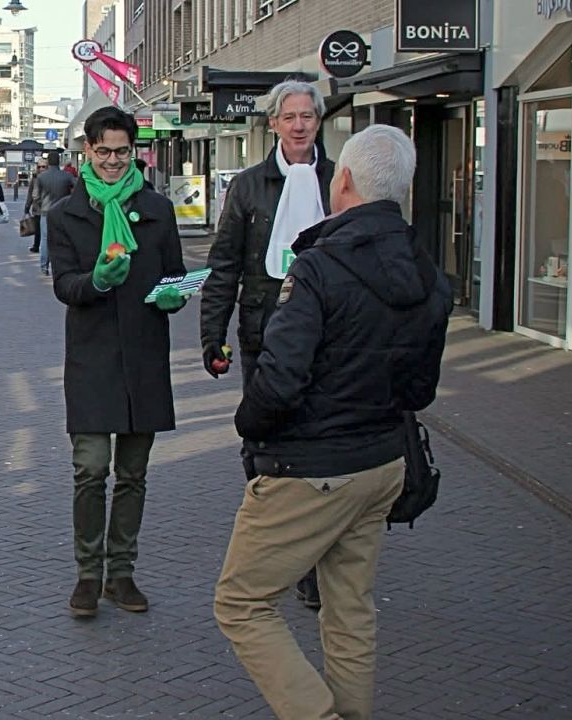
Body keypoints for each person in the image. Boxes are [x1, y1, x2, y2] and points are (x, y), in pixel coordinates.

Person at [214, 124, 451, 720]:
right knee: (350, 610)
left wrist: (250, 427)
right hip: (383, 461)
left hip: (311, 466)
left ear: (341, 180)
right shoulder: (428, 273)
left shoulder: (318, 268)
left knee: (242, 602)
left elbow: (279, 380)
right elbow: (420, 388)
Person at [46, 106, 188, 618]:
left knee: (133, 472)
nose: (112, 160)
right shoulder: (65, 214)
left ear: (134, 151)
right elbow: (65, 285)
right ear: (87, 151)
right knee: (90, 470)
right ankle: (88, 573)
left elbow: (175, 274)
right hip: (92, 357)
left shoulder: (158, 209)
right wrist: (97, 282)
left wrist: (175, 295)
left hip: (143, 356)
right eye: (103, 151)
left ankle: (122, 573)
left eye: (121, 152)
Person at [199, 80, 335, 610]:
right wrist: (212, 335)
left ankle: (313, 561)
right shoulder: (249, 186)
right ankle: (271, 540)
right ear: (273, 123)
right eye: (290, 117)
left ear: (318, 121)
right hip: (264, 333)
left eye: (308, 116)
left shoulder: (338, 179)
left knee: (320, 442)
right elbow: (224, 265)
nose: (299, 126)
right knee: (264, 439)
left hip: (329, 336)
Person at [32, 152, 76, 276]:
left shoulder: (41, 177)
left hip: (46, 212)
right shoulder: (67, 176)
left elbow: (35, 196)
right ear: (59, 161)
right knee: (63, 239)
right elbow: (78, 189)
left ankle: (44, 266)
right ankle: (61, 266)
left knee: (45, 240)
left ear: (48, 162)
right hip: (63, 212)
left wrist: (40, 205)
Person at [23, 160, 43, 254]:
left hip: (49, 208)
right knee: (38, 229)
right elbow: (30, 193)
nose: (41, 169)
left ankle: (42, 247)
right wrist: (27, 207)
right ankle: (36, 246)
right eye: (39, 167)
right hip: (37, 208)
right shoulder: (35, 178)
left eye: (43, 166)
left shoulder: (50, 177)